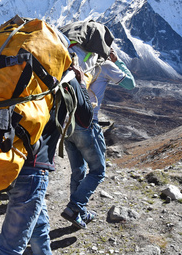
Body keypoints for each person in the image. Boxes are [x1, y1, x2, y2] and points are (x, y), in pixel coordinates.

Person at [0, 65, 93, 255]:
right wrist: (80, 84)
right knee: (9, 247)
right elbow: (85, 119)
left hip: (8, 159)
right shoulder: (66, 75)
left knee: (39, 226)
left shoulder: (19, 66)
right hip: (33, 168)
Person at [61, 47, 135, 229]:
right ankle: (74, 207)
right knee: (98, 171)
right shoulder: (105, 65)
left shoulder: (70, 60)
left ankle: (81, 213)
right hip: (87, 123)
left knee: (78, 171)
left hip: (66, 124)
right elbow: (130, 84)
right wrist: (117, 60)